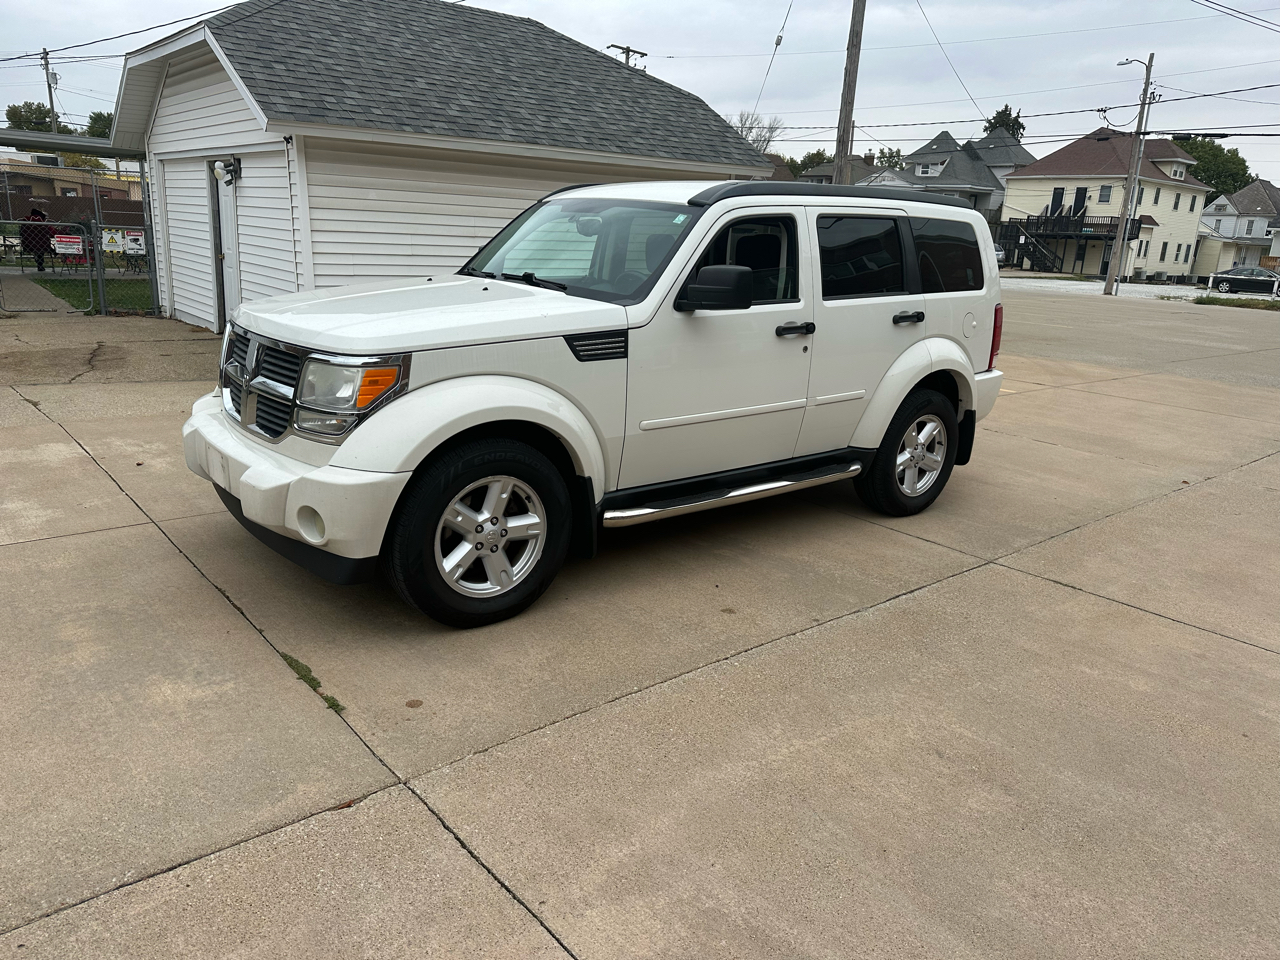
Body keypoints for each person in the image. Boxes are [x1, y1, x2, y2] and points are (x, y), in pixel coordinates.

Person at [19, 208, 53, 272]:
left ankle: (40, 261)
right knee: (41, 247)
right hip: (43, 246)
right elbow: (50, 233)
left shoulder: (26, 221)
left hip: (27, 245)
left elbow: (21, 233)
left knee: (38, 246)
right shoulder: (43, 224)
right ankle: (40, 264)